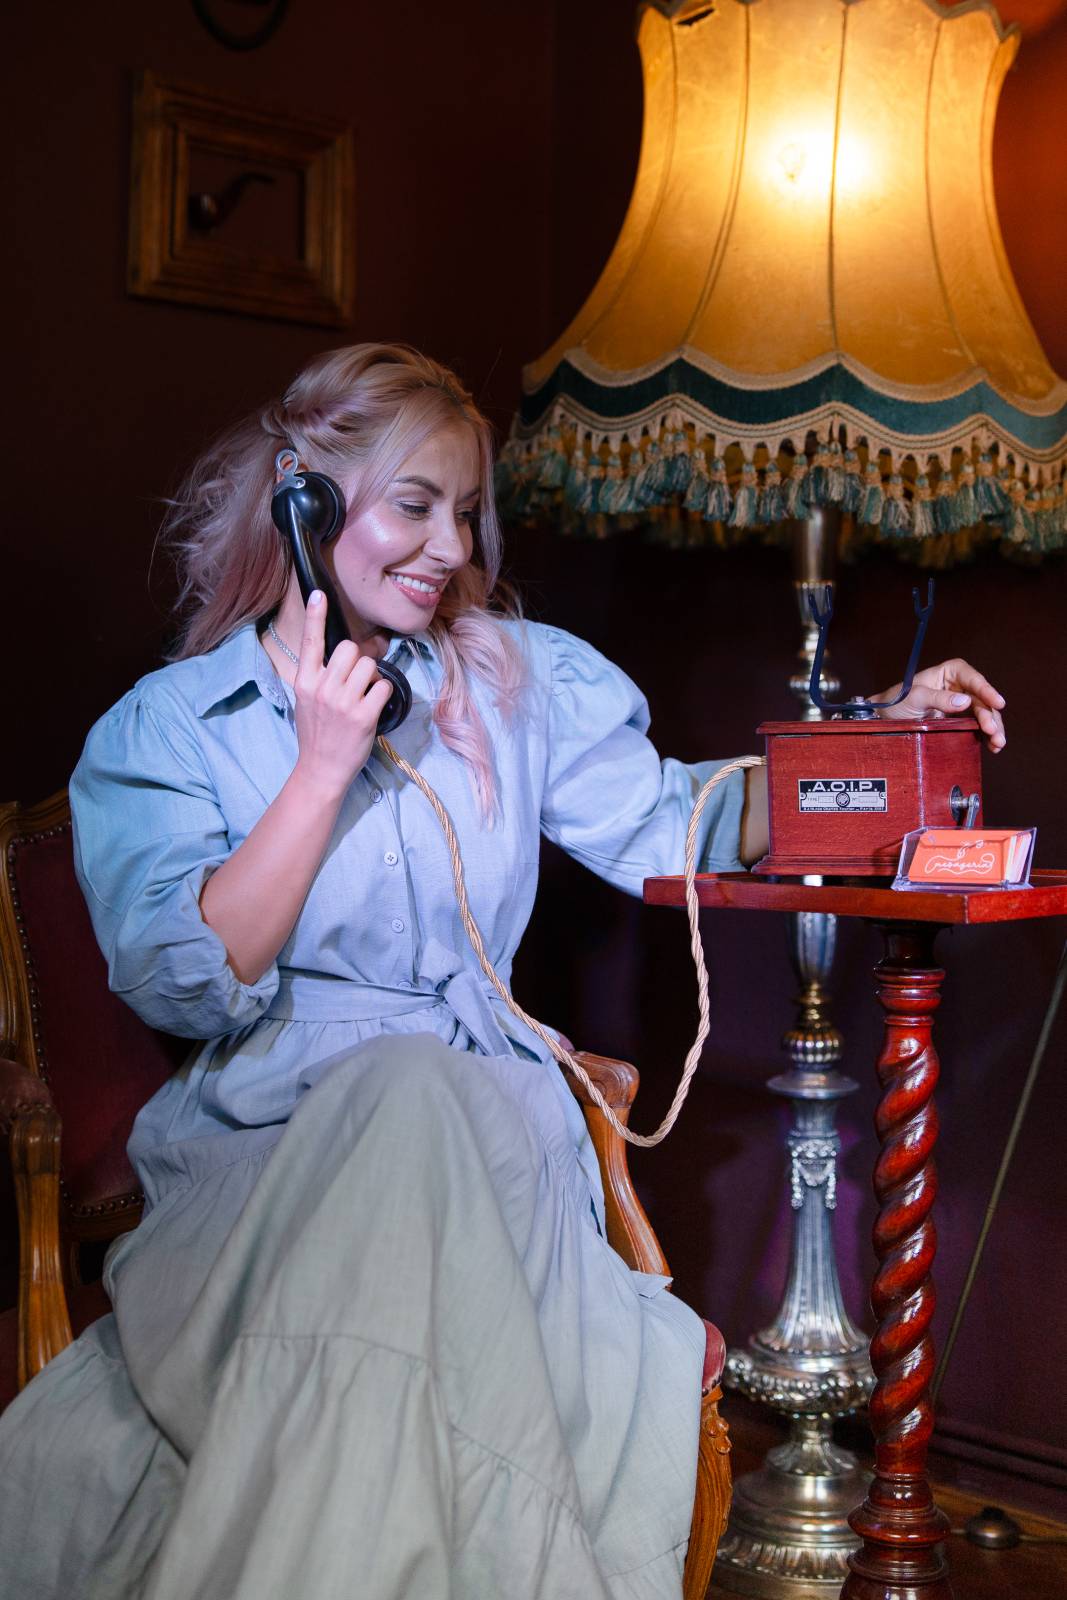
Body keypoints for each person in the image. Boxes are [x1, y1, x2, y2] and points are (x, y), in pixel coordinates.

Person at [0, 343, 1006, 1600]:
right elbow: (181, 981)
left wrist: (873, 743)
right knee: (403, 1095)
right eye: (413, 505)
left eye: (466, 512)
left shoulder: (507, 685)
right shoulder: (169, 728)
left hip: (492, 1148)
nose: (448, 548)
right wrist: (320, 763)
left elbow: (674, 820)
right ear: (304, 502)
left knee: (428, 1094)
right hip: (267, 1164)